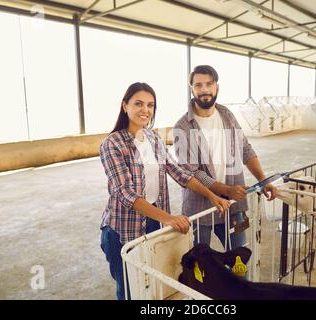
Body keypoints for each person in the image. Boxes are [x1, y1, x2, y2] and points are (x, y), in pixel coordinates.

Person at [99, 82, 230, 300]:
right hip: (122, 229)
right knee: (130, 289)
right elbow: (125, 193)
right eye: (138, 104)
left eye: (150, 105)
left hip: (152, 224)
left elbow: (179, 172)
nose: (145, 110)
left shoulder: (154, 139)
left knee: (151, 285)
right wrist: (168, 218)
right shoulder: (112, 144)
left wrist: (211, 195)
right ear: (125, 106)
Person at [173, 65, 277, 251]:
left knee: (240, 263)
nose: (204, 90)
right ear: (192, 89)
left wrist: (263, 180)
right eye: (198, 85)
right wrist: (227, 190)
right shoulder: (182, 127)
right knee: (201, 269)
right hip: (200, 210)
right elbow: (191, 172)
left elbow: (245, 149)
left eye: (209, 84)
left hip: (232, 207)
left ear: (217, 87)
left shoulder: (227, 115)